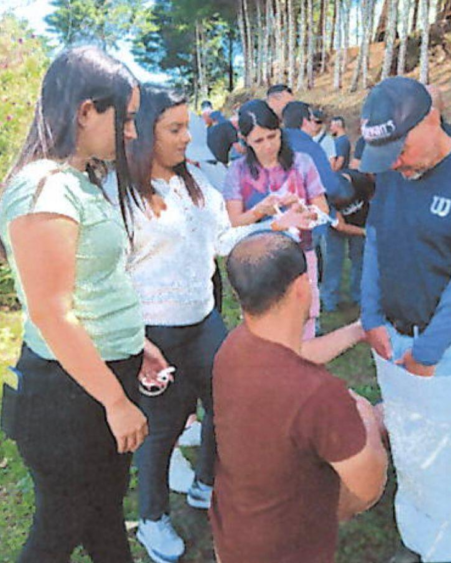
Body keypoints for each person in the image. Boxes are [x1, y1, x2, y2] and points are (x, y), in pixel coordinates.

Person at [104, 85, 311, 563]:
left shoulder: (193, 185)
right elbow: (108, 275)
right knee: (164, 426)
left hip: (203, 321)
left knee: (226, 403)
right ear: (141, 135)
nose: (186, 139)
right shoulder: (120, 194)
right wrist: (131, 342)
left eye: (187, 128)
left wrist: (272, 227)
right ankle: (153, 518)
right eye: (175, 130)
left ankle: (205, 484)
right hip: (153, 334)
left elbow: (222, 239)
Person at [0, 46, 154, 562]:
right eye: (126, 119)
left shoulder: (76, 180)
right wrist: (114, 400)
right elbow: (51, 312)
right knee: (58, 530)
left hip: (96, 377)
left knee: (104, 514)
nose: (132, 133)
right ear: (86, 111)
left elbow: (95, 282)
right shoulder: (43, 190)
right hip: (70, 398)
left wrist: (137, 342)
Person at [360, 77, 451, 563]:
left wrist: (428, 350)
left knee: (438, 463)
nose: (394, 163)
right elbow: (375, 240)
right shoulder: (393, 173)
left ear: (430, 120)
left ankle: (439, 552)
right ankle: (414, 539)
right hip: (392, 339)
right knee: (406, 446)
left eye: (399, 150)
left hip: (443, 349)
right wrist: (370, 315)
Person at [211, 233, 388, 563]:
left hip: (234, 535)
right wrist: (366, 418)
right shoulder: (319, 396)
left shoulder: (233, 348)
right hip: (290, 551)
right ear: (302, 288)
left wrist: (357, 330)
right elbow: (367, 487)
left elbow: (297, 352)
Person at [223, 99, 329, 339]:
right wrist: (260, 210)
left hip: (301, 254)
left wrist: (302, 211)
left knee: (305, 321)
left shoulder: (302, 163)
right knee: (264, 328)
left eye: (272, 136)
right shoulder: (237, 171)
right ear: (245, 140)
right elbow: (234, 222)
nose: (268, 146)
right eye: (258, 141)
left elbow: (322, 210)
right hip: (258, 262)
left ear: (280, 129)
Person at [321, 169, 374, 312]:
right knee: (334, 261)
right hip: (336, 229)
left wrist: (371, 225)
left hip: (362, 220)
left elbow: (373, 198)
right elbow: (340, 226)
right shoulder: (323, 198)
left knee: (360, 260)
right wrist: (364, 232)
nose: (343, 201)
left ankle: (359, 297)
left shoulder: (361, 180)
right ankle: (329, 301)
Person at [282, 100, 341, 198]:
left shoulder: (275, 143)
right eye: (312, 120)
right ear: (305, 121)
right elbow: (331, 187)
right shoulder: (311, 149)